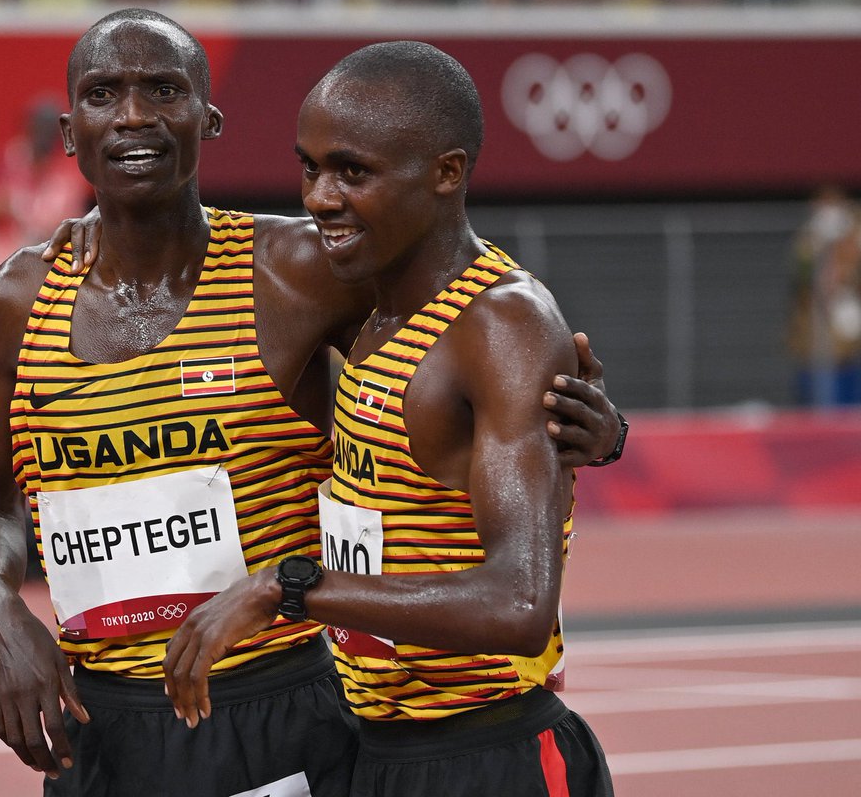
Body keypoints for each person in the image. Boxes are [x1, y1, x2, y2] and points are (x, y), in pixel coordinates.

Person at [0, 10, 623, 797]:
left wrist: (595, 426)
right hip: (102, 718)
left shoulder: (304, 269)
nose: (134, 116)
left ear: (208, 120)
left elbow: (457, 301)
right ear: (71, 132)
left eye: (163, 90)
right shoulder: (18, 300)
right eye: (105, 95)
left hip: (281, 707)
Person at [160, 43, 614, 795]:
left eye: (353, 172)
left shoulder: (499, 325)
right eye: (309, 167)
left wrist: (288, 587)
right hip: (379, 748)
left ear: (446, 172)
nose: (319, 197)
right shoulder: (370, 304)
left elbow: (520, 602)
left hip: (486, 755)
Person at [0, 98, 92, 288]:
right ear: (28, 128)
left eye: (50, 131)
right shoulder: (6, 161)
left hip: (48, 263)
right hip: (0, 260)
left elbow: (73, 222)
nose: (44, 137)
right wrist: (0, 205)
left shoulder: (70, 172)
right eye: (40, 128)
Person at [788, 185, 861, 406]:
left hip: (851, 355)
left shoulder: (858, 236)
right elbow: (804, 275)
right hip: (815, 354)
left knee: (852, 414)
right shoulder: (808, 240)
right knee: (817, 415)